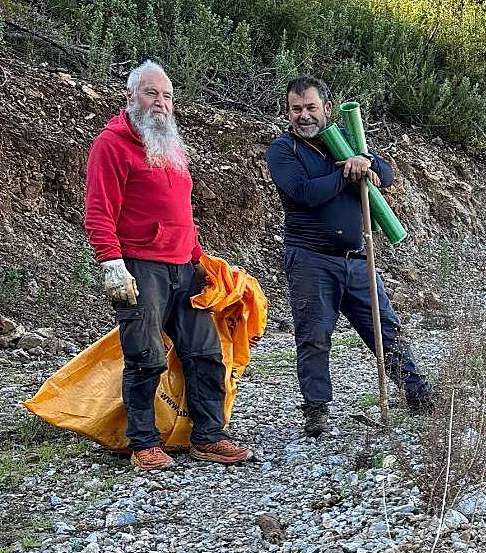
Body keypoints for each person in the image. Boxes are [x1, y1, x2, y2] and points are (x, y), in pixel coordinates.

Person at [84, 60, 252, 470]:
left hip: (185, 267)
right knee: (145, 356)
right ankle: (143, 442)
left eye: (167, 96)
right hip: (141, 267)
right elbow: (98, 211)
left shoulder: (170, 145)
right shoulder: (111, 144)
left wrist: (200, 259)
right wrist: (111, 263)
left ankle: (209, 436)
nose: (161, 103)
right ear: (131, 98)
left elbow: (182, 212)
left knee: (206, 353)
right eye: (151, 94)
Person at [265, 76, 434, 437]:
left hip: (358, 258)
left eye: (311, 107)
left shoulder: (346, 143)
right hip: (310, 259)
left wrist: (366, 161)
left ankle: (417, 392)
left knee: (385, 328)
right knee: (314, 336)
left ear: (327, 109)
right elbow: (303, 193)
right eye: (297, 109)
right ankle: (316, 412)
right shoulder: (283, 150)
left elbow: (385, 175)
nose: (304, 116)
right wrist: (348, 171)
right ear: (288, 111)